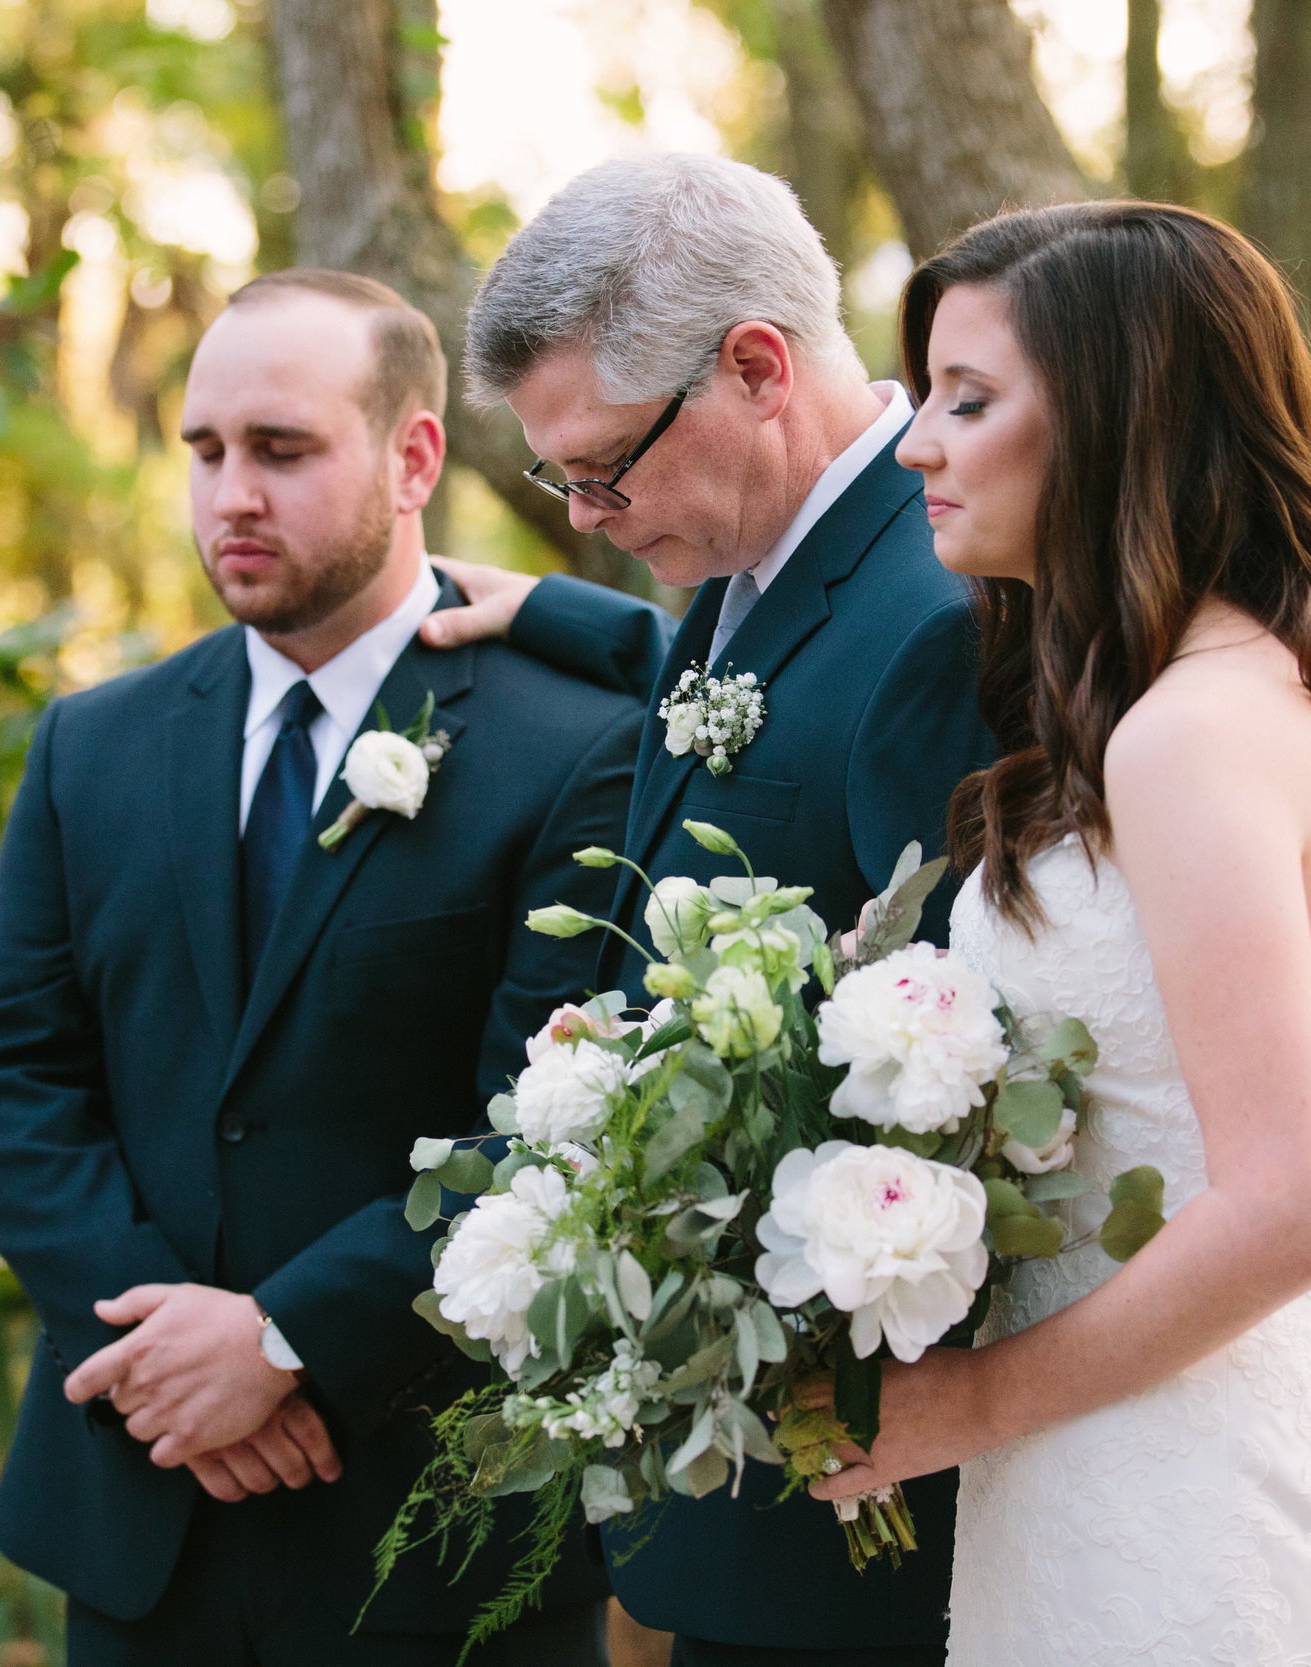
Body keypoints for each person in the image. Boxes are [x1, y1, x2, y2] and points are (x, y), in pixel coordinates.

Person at [798, 202, 1311, 1664]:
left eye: (968, 401)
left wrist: (960, 1408)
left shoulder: (1190, 738)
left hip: (1186, 1531)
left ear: (1122, 421)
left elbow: (1294, 1209)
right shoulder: (1217, 699)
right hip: (1100, 1483)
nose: (918, 442)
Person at [0, 268, 640, 1666]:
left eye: (281, 449)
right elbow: (13, 1073)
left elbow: (551, 1131)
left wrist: (282, 1344)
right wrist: (163, 1372)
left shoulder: (576, 748)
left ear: (414, 458)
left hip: (434, 1529)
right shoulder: (97, 743)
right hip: (147, 1523)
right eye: (204, 452)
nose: (229, 497)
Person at [423, 153, 994, 1667]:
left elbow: (972, 1073)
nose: (591, 517)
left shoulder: (942, 617)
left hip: (859, 1546)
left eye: (605, 467)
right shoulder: (746, 566)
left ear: (756, 368)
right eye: (561, 480)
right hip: (736, 1514)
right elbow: (739, 705)